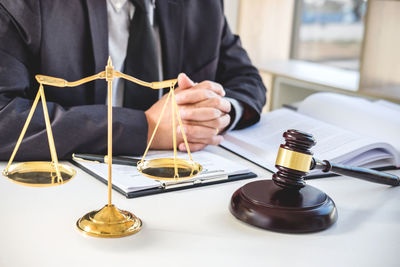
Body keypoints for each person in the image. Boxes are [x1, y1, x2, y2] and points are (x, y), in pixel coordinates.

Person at [0, 0, 266, 160]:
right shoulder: (25, 6)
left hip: (186, 179)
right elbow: (4, 117)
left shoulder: (204, 5)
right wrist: (147, 127)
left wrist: (218, 112)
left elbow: (246, 79)